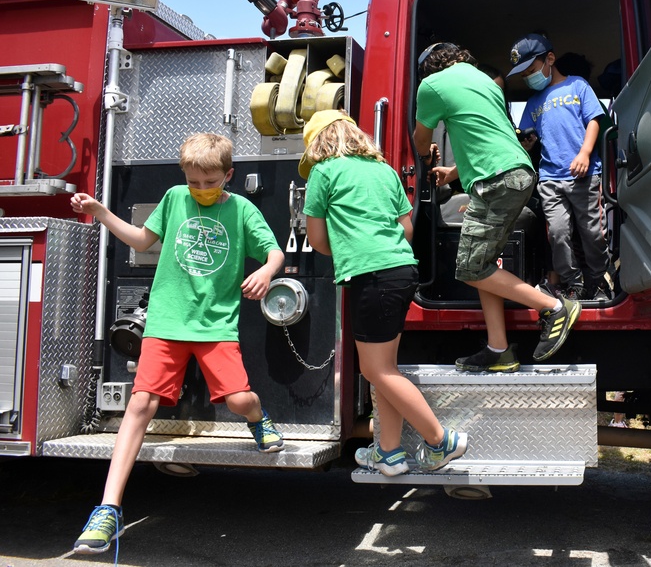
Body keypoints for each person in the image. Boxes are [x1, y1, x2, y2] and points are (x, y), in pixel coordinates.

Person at [69, 133, 285, 555]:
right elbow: (140, 240)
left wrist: (268, 272)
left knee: (240, 401)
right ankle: (108, 510)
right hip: (166, 321)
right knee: (140, 403)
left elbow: (273, 251)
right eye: (194, 182)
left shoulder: (241, 208)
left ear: (229, 175)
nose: (202, 189)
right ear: (184, 177)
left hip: (214, 326)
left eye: (211, 182)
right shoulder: (173, 198)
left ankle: (259, 419)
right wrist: (101, 212)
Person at [301, 110, 468, 475]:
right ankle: (388, 453)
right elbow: (406, 229)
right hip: (402, 272)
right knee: (384, 369)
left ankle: (441, 441)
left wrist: (350, 246)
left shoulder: (323, 172)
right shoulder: (385, 171)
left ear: (317, 143)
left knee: (375, 369)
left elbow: (316, 239)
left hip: (370, 276)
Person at [413, 42, 581, 371]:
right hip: (516, 173)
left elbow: (421, 141)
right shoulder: (483, 82)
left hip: (496, 181)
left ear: (429, 67)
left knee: (471, 268)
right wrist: (454, 172)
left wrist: (426, 154)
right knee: (485, 264)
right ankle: (498, 348)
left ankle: (553, 307)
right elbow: (491, 136)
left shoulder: (431, 85)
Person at [508, 33, 611, 301]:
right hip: (550, 179)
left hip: (584, 175)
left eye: (531, 71)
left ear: (550, 60)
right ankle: (572, 284)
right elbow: (529, 138)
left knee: (592, 233)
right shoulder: (533, 102)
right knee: (558, 233)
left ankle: (599, 281)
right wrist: (527, 145)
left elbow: (594, 121)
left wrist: (585, 153)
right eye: (524, 75)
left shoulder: (578, 86)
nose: (529, 77)